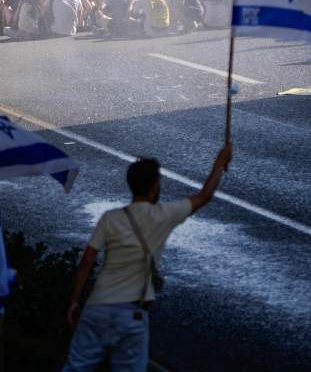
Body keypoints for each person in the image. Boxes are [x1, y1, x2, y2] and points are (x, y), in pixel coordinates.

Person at [63, 144, 234, 372]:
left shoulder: (110, 218)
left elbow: (87, 260)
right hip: (132, 314)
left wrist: (75, 300)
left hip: (97, 308)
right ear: (154, 187)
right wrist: (220, 162)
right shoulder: (162, 215)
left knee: (75, 368)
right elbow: (204, 195)